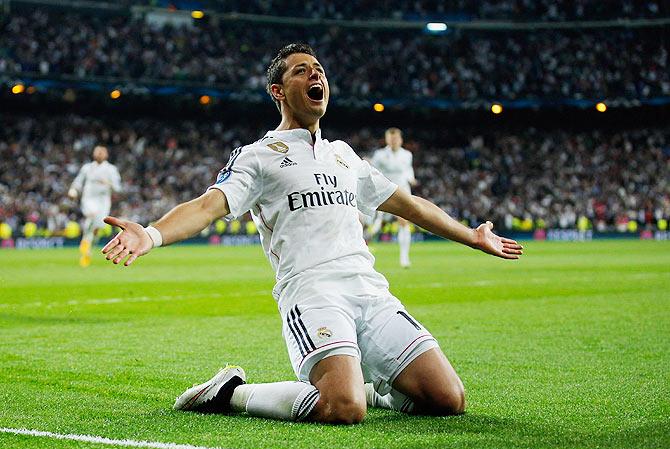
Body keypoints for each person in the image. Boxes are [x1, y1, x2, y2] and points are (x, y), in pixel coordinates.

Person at [101, 43, 523, 424]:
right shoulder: (258, 156)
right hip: (312, 293)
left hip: (369, 291)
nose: (315, 75)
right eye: (301, 71)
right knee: (343, 408)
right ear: (278, 91)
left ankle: (369, 390)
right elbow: (209, 206)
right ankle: (230, 393)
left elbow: (407, 205)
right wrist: (151, 235)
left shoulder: (344, 155)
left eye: (318, 68)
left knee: (448, 399)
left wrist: (471, 235)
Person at [368, 128, 416, 267]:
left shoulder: (407, 155)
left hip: (402, 190)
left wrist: (411, 178)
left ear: (400, 139)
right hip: (384, 191)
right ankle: (367, 241)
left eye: (395, 138)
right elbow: (373, 171)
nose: (393, 141)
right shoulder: (380, 154)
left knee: (404, 221)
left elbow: (408, 169)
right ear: (387, 139)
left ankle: (404, 258)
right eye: (391, 138)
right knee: (376, 225)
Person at [68, 145, 121, 267]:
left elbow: (118, 188)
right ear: (93, 154)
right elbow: (78, 181)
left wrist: (109, 183)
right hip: (88, 199)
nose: (99, 154)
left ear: (106, 155)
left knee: (98, 226)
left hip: (103, 201)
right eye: (97, 152)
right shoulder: (87, 168)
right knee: (92, 215)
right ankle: (86, 245)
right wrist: (73, 190)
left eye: (102, 152)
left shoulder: (111, 169)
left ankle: (87, 245)